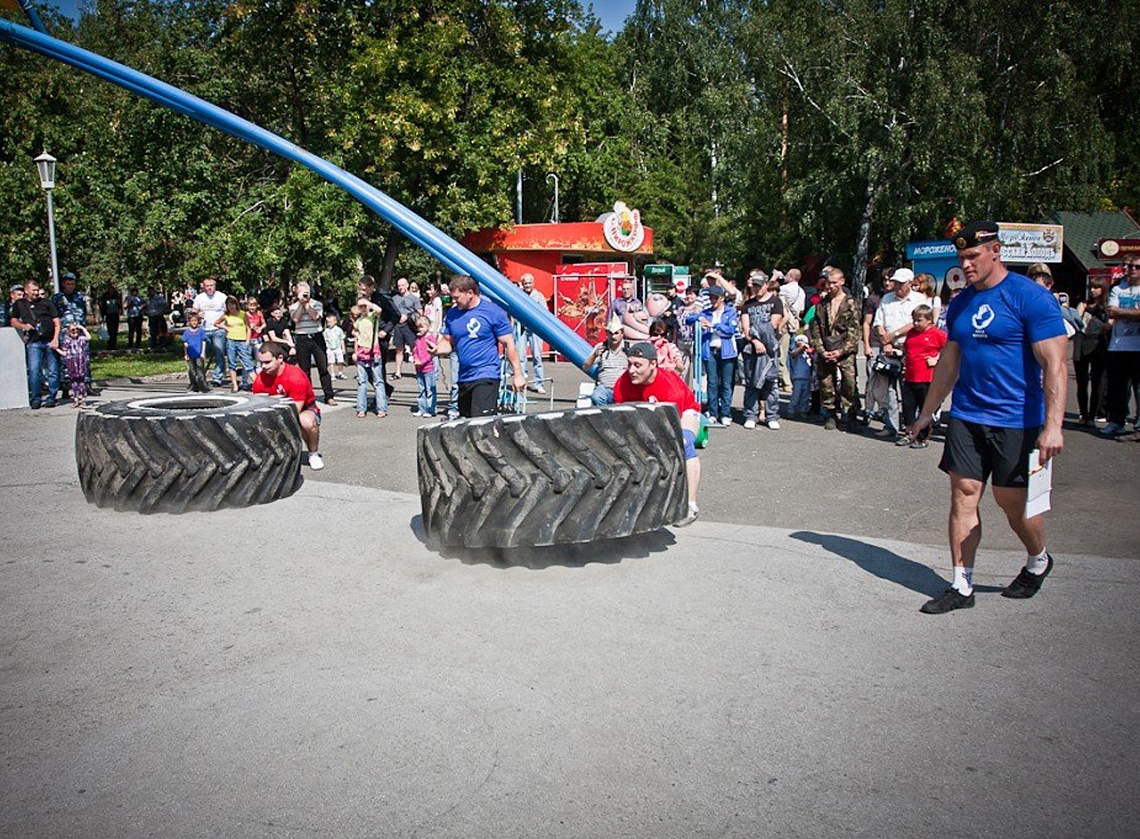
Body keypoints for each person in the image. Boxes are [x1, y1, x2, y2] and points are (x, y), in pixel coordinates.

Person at [907, 221, 1068, 614]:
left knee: (1012, 503)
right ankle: (961, 584)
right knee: (963, 495)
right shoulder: (962, 302)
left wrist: (1053, 426)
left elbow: (1055, 365)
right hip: (967, 415)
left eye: (973, 256)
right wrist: (927, 413)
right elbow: (949, 361)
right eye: (961, 256)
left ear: (996, 250)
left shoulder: (1030, 298)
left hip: (1018, 419)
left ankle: (1038, 557)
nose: (966, 263)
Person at [613, 341, 703, 527]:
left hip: (683, 412)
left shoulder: (670, 389)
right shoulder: (622, 384)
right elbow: (622, 419)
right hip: (644, 417)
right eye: (629, 364)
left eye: (638, 365)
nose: (632, 370)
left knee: (683, 444)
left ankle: (690, 505)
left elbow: (671, 427)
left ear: (653, 364)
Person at [434, 275, 524, 418]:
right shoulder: (453, 314)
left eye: (457, 297)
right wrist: (436, 349)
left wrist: (518, 375)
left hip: (486, 374)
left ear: (470, 293)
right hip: (464, 377)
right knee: (467, 425)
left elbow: (509, 344)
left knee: (481, 425)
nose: (454, 301)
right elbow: (448, 342)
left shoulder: (493, 312)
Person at [871, 267, 928, 439]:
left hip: (909, 350)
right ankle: (891, 426)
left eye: (901, 283)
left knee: (910, 391)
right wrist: (885, 341)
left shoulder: (919, 299)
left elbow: (916, 323)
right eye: (895, 282)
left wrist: (894, 335)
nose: (896, 286)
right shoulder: (887, 299)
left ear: (910, 283)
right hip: (888, 349)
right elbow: (878, 322)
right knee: (887, 391)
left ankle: (912, 427)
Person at [253, 341, 324, 470]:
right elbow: (257, 404)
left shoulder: (296, 377)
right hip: (274, 409)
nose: (263, 366)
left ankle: (313, 453)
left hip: (304, 408)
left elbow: (295, 410)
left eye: (267, 362)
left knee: (305, 422)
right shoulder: (261, 379)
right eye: (261, 362)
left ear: (280, 358)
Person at [809, 267, 862, 430]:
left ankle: (851, 413)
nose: (830, 286)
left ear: (842, 282)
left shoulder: (851, 303)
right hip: (826, 346)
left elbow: (854, 332)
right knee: (826, 382)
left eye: (834, 283)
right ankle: (830, 413)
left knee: (849, 382)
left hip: (845, 349)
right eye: (828, 283)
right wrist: (821, 349)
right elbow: (816, 328)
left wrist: (841, 351)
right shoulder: (822, 304)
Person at [687, 284, 739, 425]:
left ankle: (726, 413)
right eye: (711, 297)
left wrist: (713, 326)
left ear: (722, 298)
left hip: (727, 352)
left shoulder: (730, 311)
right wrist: (699, 320)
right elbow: (689, 319)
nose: (713, 300)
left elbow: (730, 330)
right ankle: (713, 412)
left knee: (727, 384)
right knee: (712, 383)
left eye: (715, 297)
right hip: (710, 350)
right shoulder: (706, 312)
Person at [739, 277, 785, 429]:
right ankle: (751, 414)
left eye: (759, 286)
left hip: (771, 349)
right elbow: (746, 329)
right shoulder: (747, 305)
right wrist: (755, 341)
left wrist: (758, 334)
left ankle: (771, 415)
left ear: (766, 285)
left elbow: (772, 325)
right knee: (751, 382)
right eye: (754, 286)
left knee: (771, 382)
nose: (757, 289)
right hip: (751, 347)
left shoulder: (776, 302)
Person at [1102, 257, 1140, 437]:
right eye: (1130, 266)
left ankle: (1138, 425)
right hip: (1118, 345)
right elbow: (1111, 311)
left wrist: (1121, 313)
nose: (1132, 269)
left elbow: (1117, 312)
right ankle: (1116, 421)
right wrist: (1134, 313)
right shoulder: (1118, 288)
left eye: (1137, 267)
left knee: (1138, 388)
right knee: (1117, 387)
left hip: (1138, 346)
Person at [899, 304, 946, 449]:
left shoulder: (937, 334)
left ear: (929, 320)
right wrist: (904, 358)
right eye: (914, 320)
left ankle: (922, 437)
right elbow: (908, 348)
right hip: (910, 376)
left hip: (927, 378)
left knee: (924, 409)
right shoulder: (912, 333)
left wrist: (937, 360)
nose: (915, 323)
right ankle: (909, 433)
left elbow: (950, 351)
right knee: (908, 407)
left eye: (919, 320)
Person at [10, 278, 61, 409]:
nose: (36, 293)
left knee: (53, 371)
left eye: (37, 290)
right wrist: (24, 326)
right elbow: (13, 321)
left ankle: (52, 397)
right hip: (34, 342)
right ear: (26, 290)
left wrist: (55, 339)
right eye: (33, 290)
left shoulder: (47, 303)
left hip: (49, 340)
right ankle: (36, 398)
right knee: (34, 370)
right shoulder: (20, 304)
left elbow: (56, 322)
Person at [289, 281, 336, 405]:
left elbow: (316, 317)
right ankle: (309, 397)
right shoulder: (293, 306)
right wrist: (301, 304)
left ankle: (329, 395)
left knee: (323, 367)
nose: (305, 295)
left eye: (307, 292)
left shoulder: (317, 304)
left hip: (316, 337)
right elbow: (295, 319)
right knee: (305, 370)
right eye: (303, 292)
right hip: (301, 337)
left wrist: (307, 305)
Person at [1073, 277, 1110, 425]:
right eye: (1091, 287)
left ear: (1103, 290)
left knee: (1098, 382)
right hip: (1082, 344)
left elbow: (1108, 326)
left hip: (1099, 345)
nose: (1093, 290)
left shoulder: (1107, 307)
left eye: (1096, 288)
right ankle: (1083, 413)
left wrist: (1096, 323)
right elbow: (1077, 320)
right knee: (1081, 383)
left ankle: (1093, 415)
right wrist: (1081, 313)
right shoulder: (1083, 304)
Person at [582, 316, 629, 405]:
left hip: (623, 388)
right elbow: (585, 367)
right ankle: (605, 416)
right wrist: (594, 356)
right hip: (604, 388)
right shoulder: (601, 347)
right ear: (607, 333)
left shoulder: (628, 348)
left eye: (616, 333)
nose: (613, 336)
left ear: (622, 333)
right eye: (611, 333)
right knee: (597, 396)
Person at [352, 303, 388, 418]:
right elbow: (356, 336)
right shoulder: (359, 321)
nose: (363, 309)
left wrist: (368, 303)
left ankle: (381, 408)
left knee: (378, 381)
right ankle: (361, 408)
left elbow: (379, 310)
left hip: (374, 351)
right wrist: (355, 351)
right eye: (360, 307)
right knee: (362, 382)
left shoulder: (373, 316)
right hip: (362, 352)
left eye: (364, 306)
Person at [191, 278, 228, 386]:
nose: (209, 288)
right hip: (203, 330)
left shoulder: (221, 296)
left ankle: (217, 378)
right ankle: (200, 377)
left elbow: (228, 312)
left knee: (219, 352)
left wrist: (221, 322)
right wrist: (197, 316)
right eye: (207, 286)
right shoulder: (199, 298)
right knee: (200, 354)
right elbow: (193, 312)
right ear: (203, 287)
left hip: (218, 329)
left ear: (215, 286)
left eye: (211, 285)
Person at [517, 273, 549, 394]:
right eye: (525, 283)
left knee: (537, 356)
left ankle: (538, 383)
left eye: (529, 283)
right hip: (522, 329)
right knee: (520, 356)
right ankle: (522, 380)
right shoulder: (519, 295)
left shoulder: (538, 296)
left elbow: (545, 312)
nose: (527, 285)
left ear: (533, 283)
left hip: (535, 329)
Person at [214, 295, 253, 392]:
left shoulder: (242, 314)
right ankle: (235, 385)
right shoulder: (226, 315)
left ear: (236, 304)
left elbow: (248, 328)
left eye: (232, 304)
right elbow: (216, 323)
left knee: (247, 363)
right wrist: (224, 327)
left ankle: (256, 382)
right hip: (231, 340)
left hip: (242, 341)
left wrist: (247, 341)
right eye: (228, 305)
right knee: (232, 364)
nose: (231, 307)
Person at [777, 268, 806, 391]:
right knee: (793, 353)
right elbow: (802, 310)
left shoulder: (785, 289)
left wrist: (777, 277)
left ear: (791, 276)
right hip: (795, 323)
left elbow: (772, 290)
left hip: (785, 323)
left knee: (783, 354)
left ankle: (786, 380)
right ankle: (794, 378)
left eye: (787, 274)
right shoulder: (802, 291)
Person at [391, 276, 422, 379]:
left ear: (407, 285)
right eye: (399, 285)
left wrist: (408, 316)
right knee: (399, 349)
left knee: (415, 349)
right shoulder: (395, 298)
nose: (400, 287)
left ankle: (419, 371)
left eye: (402, 285)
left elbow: (420, 313)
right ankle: (398, 372)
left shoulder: (414, 298)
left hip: (409, 326)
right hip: (398, 326)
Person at [59, 321, 91, 407]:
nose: (75, 332)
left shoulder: (81, 339)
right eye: (73, 330)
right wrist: (56, 349)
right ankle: (75, 399)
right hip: (72, 363)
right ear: (68, 331)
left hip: (81, 362)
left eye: (77, 330)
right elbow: (64, 353)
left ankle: (83, 399)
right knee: (74, 382)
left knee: (82, 382)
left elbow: (89, 337)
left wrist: (83, 328)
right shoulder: (67, 341)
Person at [412, 316, 438, 418]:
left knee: (430, 389)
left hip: (428, 368)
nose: (420, 329)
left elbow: (430, 355)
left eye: (422, 327)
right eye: (418, 327)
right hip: (419, 368)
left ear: (428, 326)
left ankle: (431, 409)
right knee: (421, 389)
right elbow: (415, 351)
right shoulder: (418, 339)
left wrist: (421, 362)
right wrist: (414, 359)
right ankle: (421, 408)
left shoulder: (430, 338)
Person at [788, 333, 814, 418]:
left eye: (802, 341)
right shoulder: (796, 352)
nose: (800, 342)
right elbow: (793, 354)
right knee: (796, 395)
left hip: (808, 377)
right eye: (798, 340)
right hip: (798, 377)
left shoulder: (808, 354)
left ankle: (803, 411)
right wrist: (801, 348)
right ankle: (791, 411)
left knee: (805, 396)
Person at [182, 311, 209, 393]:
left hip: (199, 354)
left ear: (198, 321)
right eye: (192, 321)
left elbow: (203, 341)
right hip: (190, 355)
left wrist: (203, 353)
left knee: (200, 371)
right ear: (189, 321)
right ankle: (193, 385)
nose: (194, 322)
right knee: (191, 371)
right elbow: (185, 344)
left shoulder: (201, 331)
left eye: (195, 321)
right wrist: (186, 354)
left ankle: (202, 386)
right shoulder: (186, 332)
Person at [323, 313, 347, 380]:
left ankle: (340, 372)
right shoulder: (326, 331)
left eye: (330, 322)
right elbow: (325, 340)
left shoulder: (339, 330)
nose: (329, 323)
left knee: (340, 361)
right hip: (330, 348)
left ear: (335, 322)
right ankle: (332, 374)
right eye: (327, 322)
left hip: (338, 347)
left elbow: (342, 339)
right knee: (331, 362)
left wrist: (343, 348)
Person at [246, 296, 265, 372]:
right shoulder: (245, 314)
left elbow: (264, 324)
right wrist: (249, 326)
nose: (252, 307)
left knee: (258, 359)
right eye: (250, 305)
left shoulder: (259, 313)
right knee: (247, 358)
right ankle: (245, 378)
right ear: (247, 306)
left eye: (254, 305)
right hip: (248, 338)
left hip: (257, 338)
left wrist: (260, 328)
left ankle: (259, 375)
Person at [99, 284, 122, 350]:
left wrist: (118, 303)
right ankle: (110, 344)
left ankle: (114, 344)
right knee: (110, 330)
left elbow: (120, 306)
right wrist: (102, 315)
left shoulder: (117, 295)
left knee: (115, 330)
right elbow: (103, 306)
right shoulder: (105, 296)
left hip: (115, 314)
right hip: (108, 315)